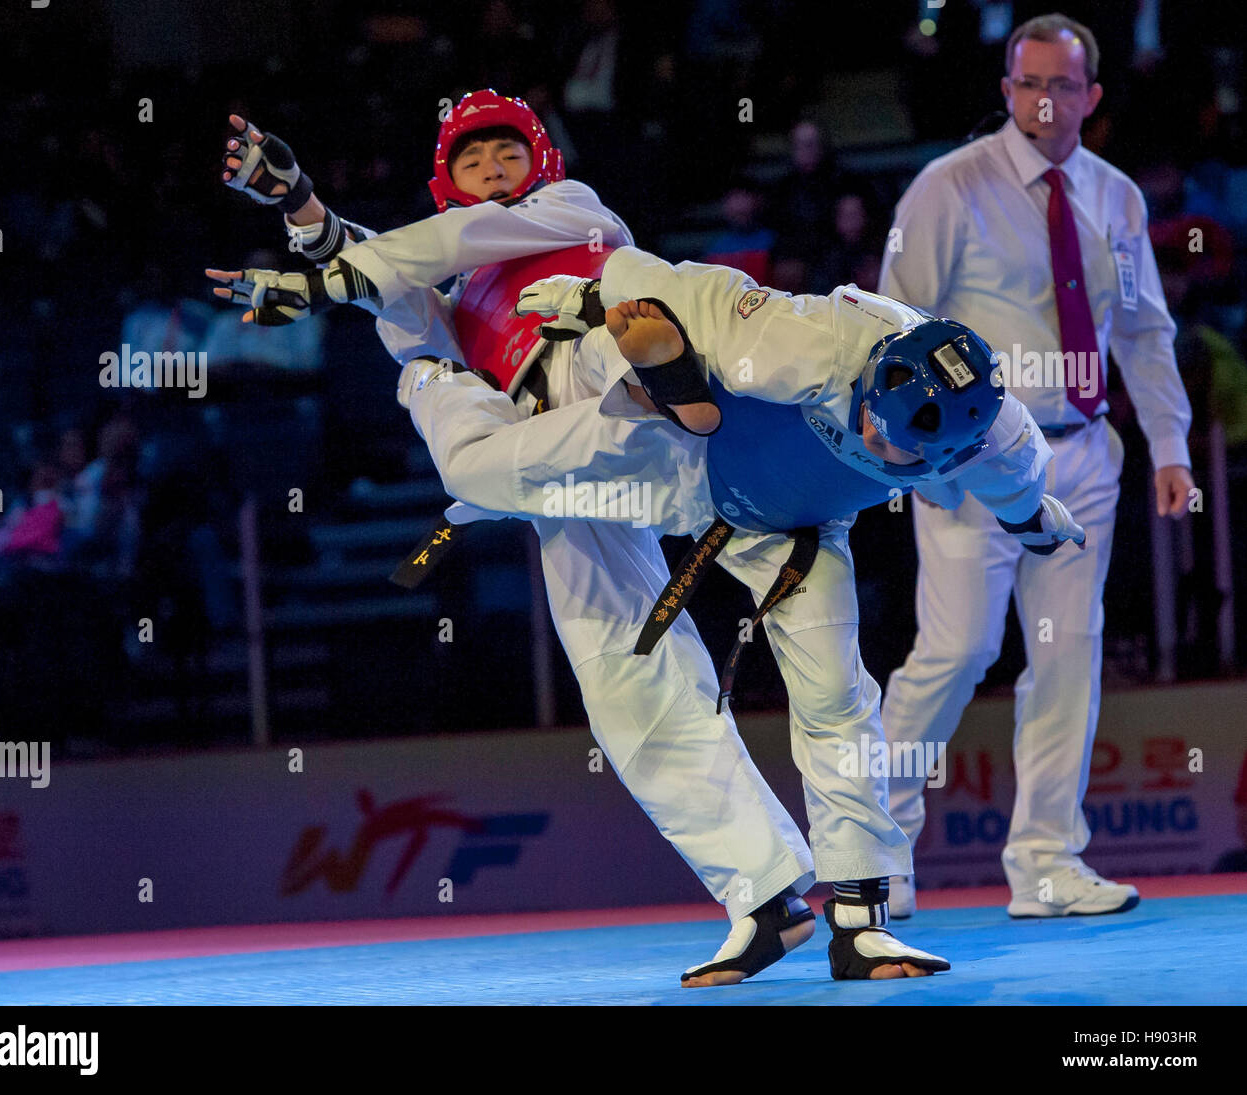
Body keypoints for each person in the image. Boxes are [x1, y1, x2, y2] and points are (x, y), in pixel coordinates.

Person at [207, 91, 831, 986]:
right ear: (444, 177)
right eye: (473, 163)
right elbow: (390, 275)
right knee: (625, 683)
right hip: (567, 470)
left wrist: (317, 276)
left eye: (508, 153)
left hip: (607, 377)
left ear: (540, 157)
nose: (494, 173)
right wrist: (298, 200)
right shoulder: (450, 289)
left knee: (586, 340)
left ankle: (667, 389)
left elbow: (449, 240)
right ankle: (766, 894)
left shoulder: (570, 211)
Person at [393, 243, 1087, 978]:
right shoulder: (807, 340)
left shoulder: (999, 438)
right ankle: (433, 375)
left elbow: (1023, 492)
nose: (876, 437)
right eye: (874, 418)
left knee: (837, 695)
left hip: (798, 529)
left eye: (898, 448)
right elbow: (676, 288)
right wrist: (595, 300)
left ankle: (858, 920)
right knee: (479, 472)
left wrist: (1033, 522)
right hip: (675, 457)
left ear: (952, 455)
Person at [877, 13, 1195, 919]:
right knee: (958, 649)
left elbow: (1142, 328)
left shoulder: (1116, 198)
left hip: (1087, 452)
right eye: (1027, 85)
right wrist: (915, 459)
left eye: (1062, 86)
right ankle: (877, 848)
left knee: (1066, 659)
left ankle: (1048, 862)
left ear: (1091, 97)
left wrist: (1170, 446)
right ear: (1007, 90)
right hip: (975, 456)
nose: (1043, 101)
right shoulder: (950, 187)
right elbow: (892, 321)